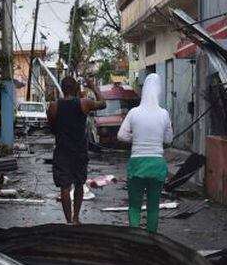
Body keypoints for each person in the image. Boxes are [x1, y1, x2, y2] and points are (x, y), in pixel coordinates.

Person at [117, 73, 173, 233]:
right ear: (158, 91)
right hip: (157, 165)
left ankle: (135, 238)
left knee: (134, 206)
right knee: (153, 207)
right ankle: (151, 239)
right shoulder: (164, 114)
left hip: (137, 164)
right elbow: (169, 139)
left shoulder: (134, 112)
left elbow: (121, 135)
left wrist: (135, 137)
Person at [47, 76, 106, 224]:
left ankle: (68, 221)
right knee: (79, 183)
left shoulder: (54, 106)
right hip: (79, 150)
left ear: (62, 88)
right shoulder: (84, 103)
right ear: (76, 89)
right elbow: (103, 103)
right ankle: (76, 218)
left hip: (62, 150)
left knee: (64, 186)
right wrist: (93, 87)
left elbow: (52, 128)